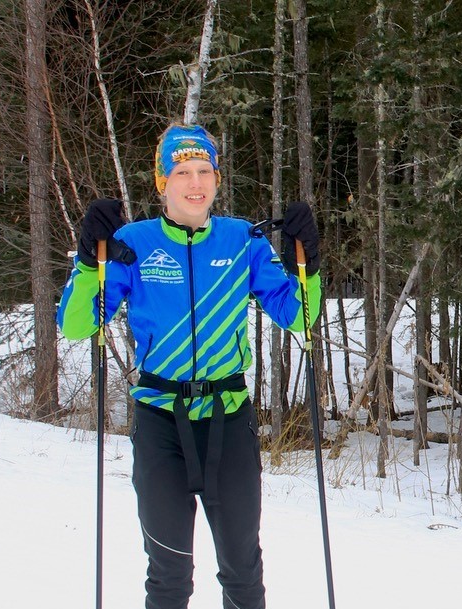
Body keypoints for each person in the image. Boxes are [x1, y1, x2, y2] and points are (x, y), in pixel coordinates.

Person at [57, 124, 322, 609]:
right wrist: (85, 261)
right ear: (162, 183)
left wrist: (309, 264)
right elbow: (77, 326)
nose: (194, 182)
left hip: (229, 420)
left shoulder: (242, 239)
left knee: (243, 573)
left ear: (217, 179)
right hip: (161, 425)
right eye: (181, 172)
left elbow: (299, 316)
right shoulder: (132, 242)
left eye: (204, 171)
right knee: (169, 577)